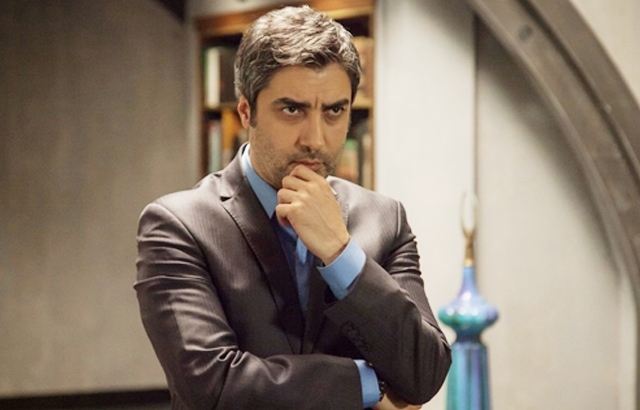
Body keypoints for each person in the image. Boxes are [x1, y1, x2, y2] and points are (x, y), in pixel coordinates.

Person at [135, 5, 451, 410]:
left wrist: (340, 252)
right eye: (292, 109)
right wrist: (370, 382)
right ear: (246, 111)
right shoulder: (178, 225)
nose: (315, 139)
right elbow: (212, 387)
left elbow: (425, 372)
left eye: (334, 111)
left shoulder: (385, 219)